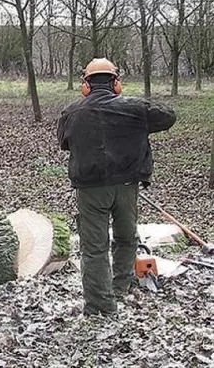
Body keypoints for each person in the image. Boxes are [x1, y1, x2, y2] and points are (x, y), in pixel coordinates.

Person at [57, 58, 176, 316]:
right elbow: (168, 116)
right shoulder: (134, 109)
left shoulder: (71, 113)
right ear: (116, 83)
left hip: (91, 190)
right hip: (126, 186)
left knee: (94, 248)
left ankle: (101, 306)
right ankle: (121, 285)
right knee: (125, 237)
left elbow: (64, 143)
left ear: (86, 84)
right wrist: (138, 112)